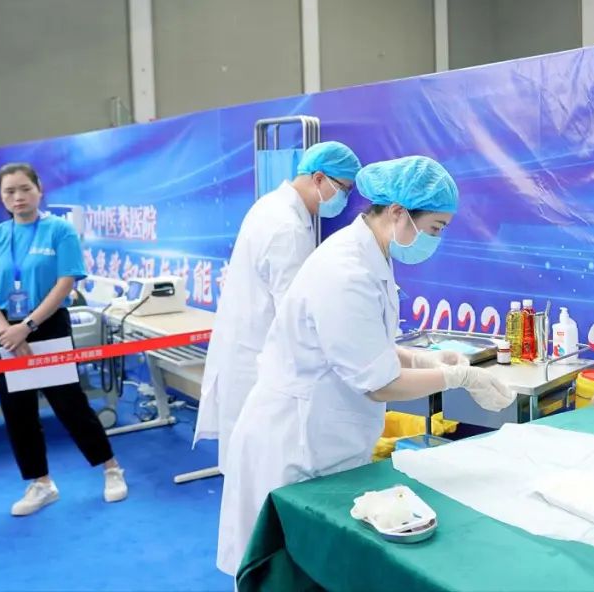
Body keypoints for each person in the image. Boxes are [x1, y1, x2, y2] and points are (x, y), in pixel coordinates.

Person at [216, 156, 516, 575]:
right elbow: (379, 383)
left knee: (318, 567)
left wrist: (421, 358)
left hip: (326, 433)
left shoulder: (371, 254)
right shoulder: (346, 271)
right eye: (435, 228)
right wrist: (458, 376)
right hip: (296, 440)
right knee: (284, 571)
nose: (436, 239)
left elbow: (365, 345)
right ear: (398, 212)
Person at [194, 141, 362, 472]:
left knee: (250, 472)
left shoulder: (271, 207)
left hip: (247, 352)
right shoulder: (287, 228)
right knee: (261, 472)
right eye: (343, 189)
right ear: (318, 178)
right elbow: (296, 312)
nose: (344, 199)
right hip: (258, 363)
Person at [0, 162, 127, 516]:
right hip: (4, 331)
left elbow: (65, 283)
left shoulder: (59, 231)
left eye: (24, 188)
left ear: (39, 189)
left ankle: (111, 469)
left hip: (46, 324)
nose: (18, 197)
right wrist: (6, 331)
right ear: (1, 197)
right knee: (18, 411)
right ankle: (41, 483)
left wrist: (26, 326)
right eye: (9, 191)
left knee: (69, 404)